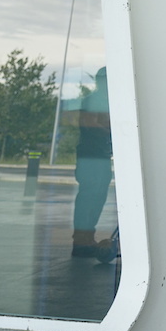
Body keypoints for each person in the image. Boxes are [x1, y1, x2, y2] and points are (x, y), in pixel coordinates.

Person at [68, 67, 116, 262]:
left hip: (101, 156)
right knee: (89, 196)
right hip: (91, 156)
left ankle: (87, 238)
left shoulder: (107, 101)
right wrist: (115, 131)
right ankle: (81, 241)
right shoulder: (93, 100)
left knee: (98, 197)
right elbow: (90, 124)